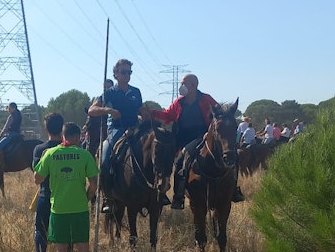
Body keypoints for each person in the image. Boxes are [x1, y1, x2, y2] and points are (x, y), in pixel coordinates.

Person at [150, 73, 244, 209]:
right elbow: (167, 115)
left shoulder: (206, 99)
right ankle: (177, 194)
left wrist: (210, 132)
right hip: (182, 139)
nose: (181, 86)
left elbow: (219, 115)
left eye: (183, 83)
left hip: (203, 136)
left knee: (234, 157)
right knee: (176, 159)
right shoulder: (179, 102)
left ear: (193, 85)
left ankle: (234, 190)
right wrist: (151, 113)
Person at [33, 122, 99, 252]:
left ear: (63, 136)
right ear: (77, 137)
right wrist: (87, 197)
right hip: (79, 209)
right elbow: (94, 184)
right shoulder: (84, 155)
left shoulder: (50, 154)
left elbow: (37, 179)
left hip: (58, 209)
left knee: (61, 248)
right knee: (83, 247)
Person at [88, 59, 149, 211]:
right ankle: (108, 197)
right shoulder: (109, 93)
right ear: (115, 74)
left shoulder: (136, 92)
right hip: (116, 130)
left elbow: (140, 109)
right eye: (123, 72)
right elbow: (91, 110)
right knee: (105, 158)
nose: (126, 75)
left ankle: (156, 193)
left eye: (129, 72)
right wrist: (109, 111)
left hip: (135, 128)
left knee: (153, 153)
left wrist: (145, 113)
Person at [32, 112, 64, 252]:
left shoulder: (39, 149)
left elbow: (37, 177)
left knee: (40, 230)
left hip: (45, 196)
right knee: (66, 235)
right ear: (62, 129)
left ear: (46, 129)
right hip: (66, 198)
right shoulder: (73, 149)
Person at [82, 79, 113, 156]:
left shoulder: (113, 100)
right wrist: (86, 125)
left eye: (109, 87)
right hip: (96, 125)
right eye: (105, 87)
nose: (106, 89)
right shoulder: (98, 99)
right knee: (83, 145)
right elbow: (91, 113)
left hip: (108, 125)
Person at [0, 102, 22, 168]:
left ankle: (1, 163)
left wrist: (0, 135)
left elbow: (6, 127)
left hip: (11, 134)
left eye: (9, 108)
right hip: (18, 134)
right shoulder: (19, 115)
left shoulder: (11, 116)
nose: (8, 110)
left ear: (13, 108)